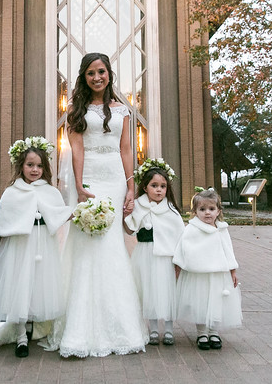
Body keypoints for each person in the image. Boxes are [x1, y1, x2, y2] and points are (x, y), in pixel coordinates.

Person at [45, 52, 148, 357]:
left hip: (115, 180)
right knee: (86, 246)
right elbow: (75, 148)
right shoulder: (77, 110)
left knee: (112, 245)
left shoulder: (123, 111)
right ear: (84, 77)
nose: (97, 77)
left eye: (101, 72)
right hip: (88, 179)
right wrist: (78, 185)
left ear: (109, 74)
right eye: (91, 73)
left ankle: (119, 324)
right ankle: (79, 327)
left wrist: (131, 187)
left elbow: (126, 149)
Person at [0, 137, 72, 358]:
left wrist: (81, 212)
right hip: (20, 247)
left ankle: (33, 328)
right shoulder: (12, 192)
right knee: (19, 286)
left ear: (44, 168)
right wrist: (0, 250)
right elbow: (5, 223)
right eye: (30, 165)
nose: (34, 170)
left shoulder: (50, 191)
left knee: (39, 287)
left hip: (43, 246)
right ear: (21, 166)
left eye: (39, 166)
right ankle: (20, 336)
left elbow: (59, 214)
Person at [123, 158, 185, 346]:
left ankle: (168, 329)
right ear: (145, 187)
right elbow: (130, 229)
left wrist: (178, 261)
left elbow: (179, 236)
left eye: (163, 186)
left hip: (165, 257)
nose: (159, 190)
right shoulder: (139, 206)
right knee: (148, 290)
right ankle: (153, 329)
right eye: (154, 185)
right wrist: (126, 215)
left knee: (166, 292)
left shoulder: (171, 210)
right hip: (145, 254)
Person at [173, 188, 242, 350]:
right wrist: (179, 268)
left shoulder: (222, 229)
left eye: (211, 209)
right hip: (199, 275)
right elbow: (183, 248)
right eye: (202, 209)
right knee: (200, 303)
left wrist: (232, 271)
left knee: (216, 302)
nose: (207, 213)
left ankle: (214, 331)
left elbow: (228, 250)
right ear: (195, 211)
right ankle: (202, 333)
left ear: (218, 211)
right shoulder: (191, 229)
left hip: (218, 274)